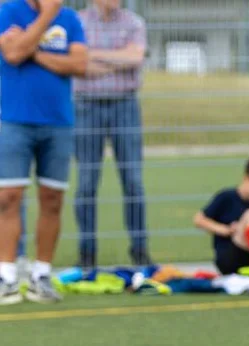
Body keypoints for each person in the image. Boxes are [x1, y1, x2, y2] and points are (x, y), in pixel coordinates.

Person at [0, 0, 88, 304]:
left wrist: (32, 51)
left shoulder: (71, 19)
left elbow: (79, 64)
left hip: (58, 123)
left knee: (52, 200)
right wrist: (47, 15)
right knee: (8, 198)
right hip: (14, 121)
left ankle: (41, 274)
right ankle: (7, 275)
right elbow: (11, 54)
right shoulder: (8, 11)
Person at [73, 0, 148, 269]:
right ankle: (87, 252)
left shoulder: (134, 22)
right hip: (86, 106)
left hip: (125, 104)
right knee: (86, 183)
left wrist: (96, 56)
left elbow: (135, 58)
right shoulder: (78, 22)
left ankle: (140, 250)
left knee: (133, 182)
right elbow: (77, 61)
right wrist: (117, 58)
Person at [193, 156, 249, 276]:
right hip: (228, 257)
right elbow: (198, 220)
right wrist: (225, 230)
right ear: (247, 178)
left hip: (246, 256)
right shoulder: (227, 196)